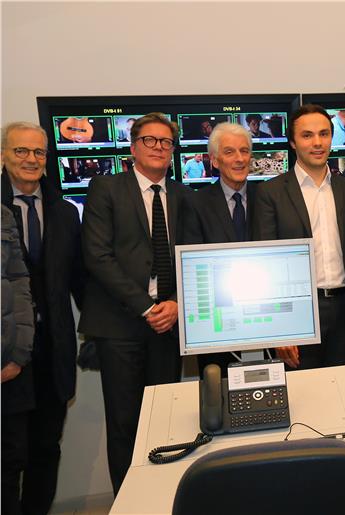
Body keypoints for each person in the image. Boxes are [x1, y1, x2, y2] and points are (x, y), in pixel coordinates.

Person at [78, 112, 192, 494]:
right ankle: (130, 501)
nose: (159, 147)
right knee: (125, 423)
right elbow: (97, 256)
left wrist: (175, 303)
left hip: (169, 325)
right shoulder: (106, 188)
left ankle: (161, 498)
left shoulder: (183, 195)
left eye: (166, 142)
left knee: (164, 422)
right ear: (133, 147)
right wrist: (147, 306)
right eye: (150, 140)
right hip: (120, 325)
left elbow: (192, 256)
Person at [1, 121, 85, 515]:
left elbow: (80, 280)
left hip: (53, 353)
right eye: (21, 150)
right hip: (7, 356)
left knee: (46, 449)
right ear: (4, 155)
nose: (31, 159)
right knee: (8, 455)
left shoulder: (65, 212)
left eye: (38, 152)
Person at [253, 104, 345, 369]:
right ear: (293, 142)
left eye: (324, 134)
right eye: (307, 135)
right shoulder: (270, 193)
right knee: (301, 391)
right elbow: (266, 264)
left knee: (342, 388)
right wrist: (279, 327)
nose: (317, 142)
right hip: (297, 313)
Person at [182, 123, 258, 374]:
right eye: (229, 152)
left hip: (264, 317)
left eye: (244, 151)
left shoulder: (267, 197)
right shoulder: (195, 203)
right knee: (219, 389)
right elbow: (193, 266)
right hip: (216, 322)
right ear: (214, 161)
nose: (239, 159)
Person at [1, 204, 35, 515]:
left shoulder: (3, 216)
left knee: (11, 460)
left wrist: (20, 351)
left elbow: (18, 281)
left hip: (8, 363)